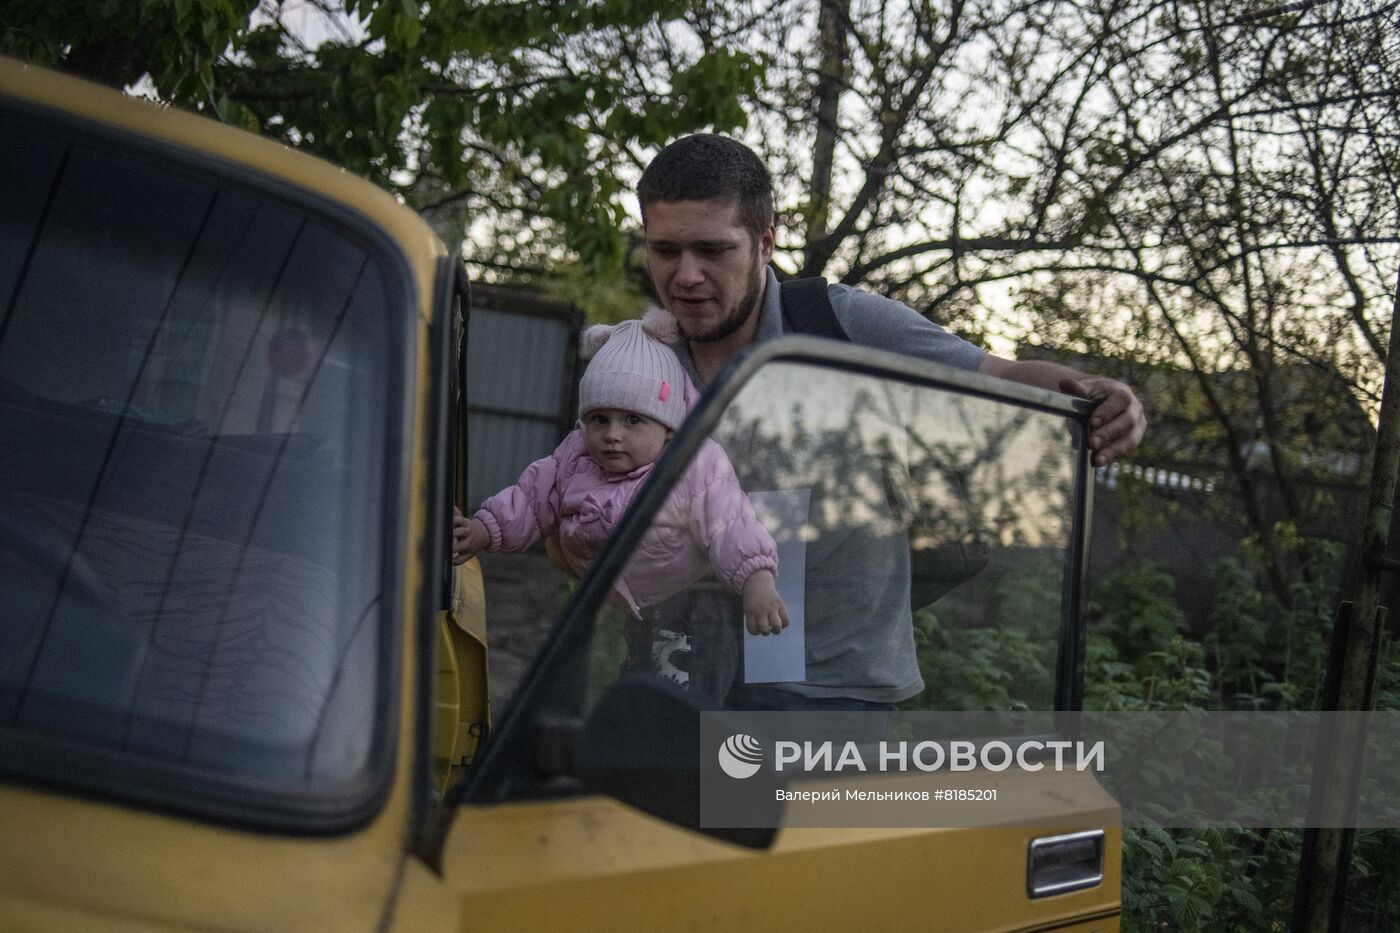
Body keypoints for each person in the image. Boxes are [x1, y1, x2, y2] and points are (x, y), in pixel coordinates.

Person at [635, 133, 1148, 710]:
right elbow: (571, 511)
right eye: (666, 251)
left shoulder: (841, 324)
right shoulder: (635, 359)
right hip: (678, 674)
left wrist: (1099, 398)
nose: (686, 275)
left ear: (764, 244)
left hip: (828, 692)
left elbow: (998, 376)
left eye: (712, 250)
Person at [452, 306, 790, 687]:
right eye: (600, 419)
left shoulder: (694, 464)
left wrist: (757, 581)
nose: (613, 434)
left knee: (680, 698)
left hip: (689, 608)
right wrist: (481, 530)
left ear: (667, 426)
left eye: (632, 420)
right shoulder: (576, 455)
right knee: (634, 684)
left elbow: (731, 522)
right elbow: (531, 499)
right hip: (622, 608)